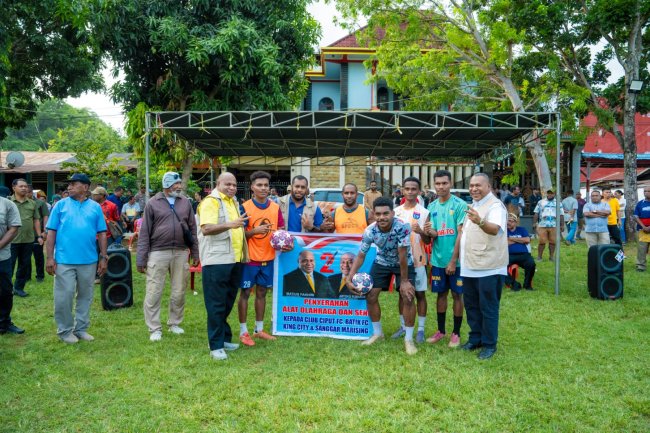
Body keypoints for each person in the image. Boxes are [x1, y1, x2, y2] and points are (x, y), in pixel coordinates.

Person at [346, 197, 418, 355]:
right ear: (373, 214)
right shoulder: (370, 230)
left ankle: (409, 339)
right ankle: (378, 334)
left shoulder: (403, 226)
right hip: (382, 262)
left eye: (386, 213)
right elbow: (360, 255)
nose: (382, 217)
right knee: (370, 295)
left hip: (404, 263)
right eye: (378, 214)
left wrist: (405, 281)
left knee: (408, 296)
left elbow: (403, 255)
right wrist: (349, 277)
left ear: (392, 213)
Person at [136, 172, 199, 342]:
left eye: (179, 184)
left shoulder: (185, 203)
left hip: (181, 252)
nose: (179, 187)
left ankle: (174, 323)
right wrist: (141, 258)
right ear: (166, 186)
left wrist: (195, 252)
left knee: (179, 291)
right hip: (158, 252)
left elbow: (192, 229)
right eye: (175, 184)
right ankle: (154, 328)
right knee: (154, 291)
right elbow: (144, 232)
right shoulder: (152, 203)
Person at [46, 173, 108, 344]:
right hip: (64, 260)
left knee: (85, 296)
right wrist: (49, 257)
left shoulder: (95, 207)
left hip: (89, 260)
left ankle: (80, 329)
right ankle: (65, 331)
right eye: (69, 184)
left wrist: (103, 256)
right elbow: (51, 232)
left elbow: (102, 233)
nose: (69, 186)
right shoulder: (60, 206)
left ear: (85, 187)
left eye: (74, 184)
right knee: (64, 296)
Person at [197, 172, 249, 360]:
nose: (232, 188)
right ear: (217, 183)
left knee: (227, 301)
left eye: (234, 185)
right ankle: (215, 346)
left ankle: (225, 338)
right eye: (227, 184)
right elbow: (206, 228)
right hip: (216, 260)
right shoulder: (211, 202)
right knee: (216, 303)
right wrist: (231, 224)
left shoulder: (233, 202)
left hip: (234, 259)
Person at [460, 173, 508, 360]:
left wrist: (480, 221)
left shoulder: (496, 206)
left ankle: (489, 344)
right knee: (471, 306)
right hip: (470, 265)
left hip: (489, 266)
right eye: (471, 185)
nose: (474, 189)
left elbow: (494, 229)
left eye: (478, 185)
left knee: (488, 307)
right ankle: (475, 338)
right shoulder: (474, 205)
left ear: (489, 186)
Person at [237, 171, 286, 347]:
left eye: (266, 185)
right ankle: (243, 332)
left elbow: (280, 230)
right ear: (252, 187)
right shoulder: (245, 207)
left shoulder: (275, 207)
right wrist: (253, 232)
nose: (263, 188)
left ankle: (259, 329)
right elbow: (239, 234)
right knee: (244, 293)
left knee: (262, 293)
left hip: (268, 258)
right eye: (259, 185)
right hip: (249, 259)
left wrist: (284, 240)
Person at [423, 169, 467, 348]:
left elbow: (460, 235)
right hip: (437, 261)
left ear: (451, 184)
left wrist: (452, 261)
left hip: (456, 262)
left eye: (444, 183)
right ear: (434, 185)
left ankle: (456, 333)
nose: (441, 187)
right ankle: (441, 331)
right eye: (438, 183)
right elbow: (432, 235)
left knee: (457, 294)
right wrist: (425, 232)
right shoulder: (431, 207)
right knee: (440, 294)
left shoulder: (459, 205)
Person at [392, 177, 430, 344]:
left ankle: (420, 330)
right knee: (402, 294)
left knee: (420, 294)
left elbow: (428, 241)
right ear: (403, 190)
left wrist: (421, 231)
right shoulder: (395, 212)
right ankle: (402, 326)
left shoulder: (424, 212)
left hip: (418, 259)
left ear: (418, 191)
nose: (410, 191)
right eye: (407, 188)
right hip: (401, 262)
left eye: (413, 189)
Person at [9, 178, 43, 298]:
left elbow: (36, 220)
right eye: (21, 186)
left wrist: (39, 236)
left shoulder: (32, 203)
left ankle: (19, 288)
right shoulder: (8, 202)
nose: (24, 188)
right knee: (9, 266)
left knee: (24, 265)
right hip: (10, 241)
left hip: (28, 240)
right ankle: (6, 289)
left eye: (25, 186)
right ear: (14, 188)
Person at [0, 186, 24, 335]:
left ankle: (4, 322)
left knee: (5, 291)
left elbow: (14, 228)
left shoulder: (7, 204)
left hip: (2, 257)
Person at [506, 213, 536, 291]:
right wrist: (520, 240)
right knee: (500, 267)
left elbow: (527, 240)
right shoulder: (504, 231)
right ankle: (514, 284)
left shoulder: (521, 229)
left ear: (515, 222)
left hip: (524, 254)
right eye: (507, 221)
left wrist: (511, 238)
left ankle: (527, 285)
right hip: (509, 255)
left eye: (510, 221)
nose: (508, 223)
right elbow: (505, 243)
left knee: (531, 264)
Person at [533, 189, 564, 261]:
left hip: (554, 225)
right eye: (548, 193)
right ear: (547, 194)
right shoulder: (541, 202)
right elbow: (536, 213)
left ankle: (551, 257)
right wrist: (534, 223)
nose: (550, 195)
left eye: (551, 193)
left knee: (553, 242)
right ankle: (539, 257)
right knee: (542, 241)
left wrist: (562, 225)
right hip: (542, 225)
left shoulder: (558, 203)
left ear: (554, 194)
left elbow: (561, 214)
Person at [33, 190, 50, 283]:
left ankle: (40, 276)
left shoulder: (40, 203)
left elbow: (45, 217)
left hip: (38, 234)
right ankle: (26, 276)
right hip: (24, 235)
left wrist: (44, 231)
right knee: (24, 258)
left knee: (38, 256)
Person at [633, 187, 650, 272]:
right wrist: (643, 227)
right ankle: (641, 266)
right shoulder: (640, 203)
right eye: (645, 191)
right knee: (642, 249)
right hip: (642, 230)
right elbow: (636, 216)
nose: (646, 193)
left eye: (648, 191)